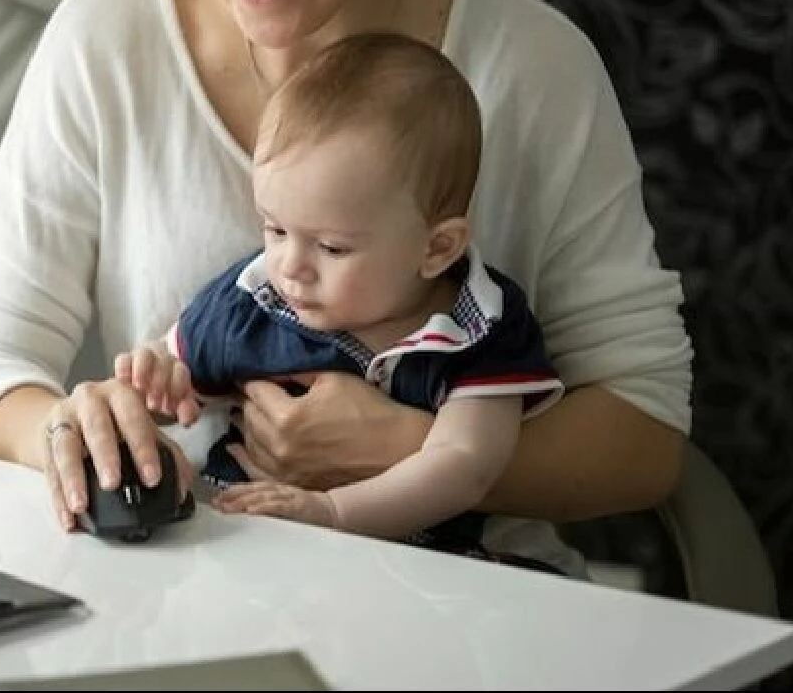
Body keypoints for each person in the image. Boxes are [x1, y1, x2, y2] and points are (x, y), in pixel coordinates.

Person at [0, 0, 693, 577]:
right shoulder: (103, 39)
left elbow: (646, 427)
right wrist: (75, 435)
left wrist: (411, 448)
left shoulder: (535, 65)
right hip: (204, 584)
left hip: (474, 598)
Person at [115, 31, 568, 567]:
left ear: (437, 247)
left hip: (412, 579)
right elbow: (173, 391)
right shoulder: (252, 299)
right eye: (275, 229)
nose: (290, 265)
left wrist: (331, 511)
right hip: (241, 558)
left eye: (331, 246)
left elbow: (467, 465)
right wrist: (158, 382)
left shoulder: (480, 329)